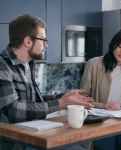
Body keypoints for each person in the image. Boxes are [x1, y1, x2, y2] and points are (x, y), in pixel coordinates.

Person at [0, 14, 93, 150]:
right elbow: (13, 111)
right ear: (28, 41)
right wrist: (61, 103)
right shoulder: (3, 66)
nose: (46, 44)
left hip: (34, 134)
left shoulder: (28, 64)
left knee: (83, 144)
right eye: (43, 39)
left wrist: (64, 96)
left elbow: (35, 101)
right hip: (16, 143)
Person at [80, 28, 121, 150]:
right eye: (120, 46)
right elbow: (81, 100)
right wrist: (104, 105)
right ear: (114, 44)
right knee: (107, 144)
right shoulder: (94, 64)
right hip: (101, 124)